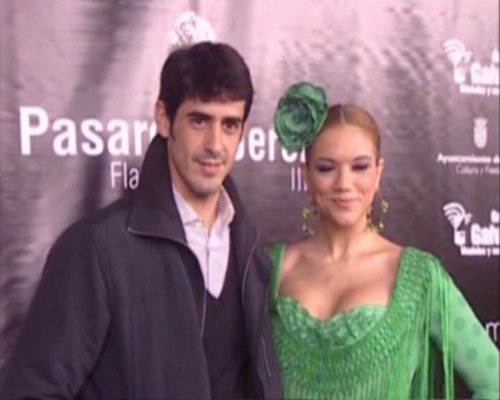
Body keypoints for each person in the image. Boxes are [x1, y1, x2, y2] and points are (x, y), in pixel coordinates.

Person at [0, 42, 282, 400]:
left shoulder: (251, 249)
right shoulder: (96, 249)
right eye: (199, 120)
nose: (215, 144)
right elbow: (33, 390)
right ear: (164, 119)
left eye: (229, 124)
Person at [268, 81, 499, 399]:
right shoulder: (271, 269)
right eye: (326, 168)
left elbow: (493, 381)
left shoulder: (419, 277)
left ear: (378, 173)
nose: (344, 183)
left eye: (359, 167)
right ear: (305, 175)